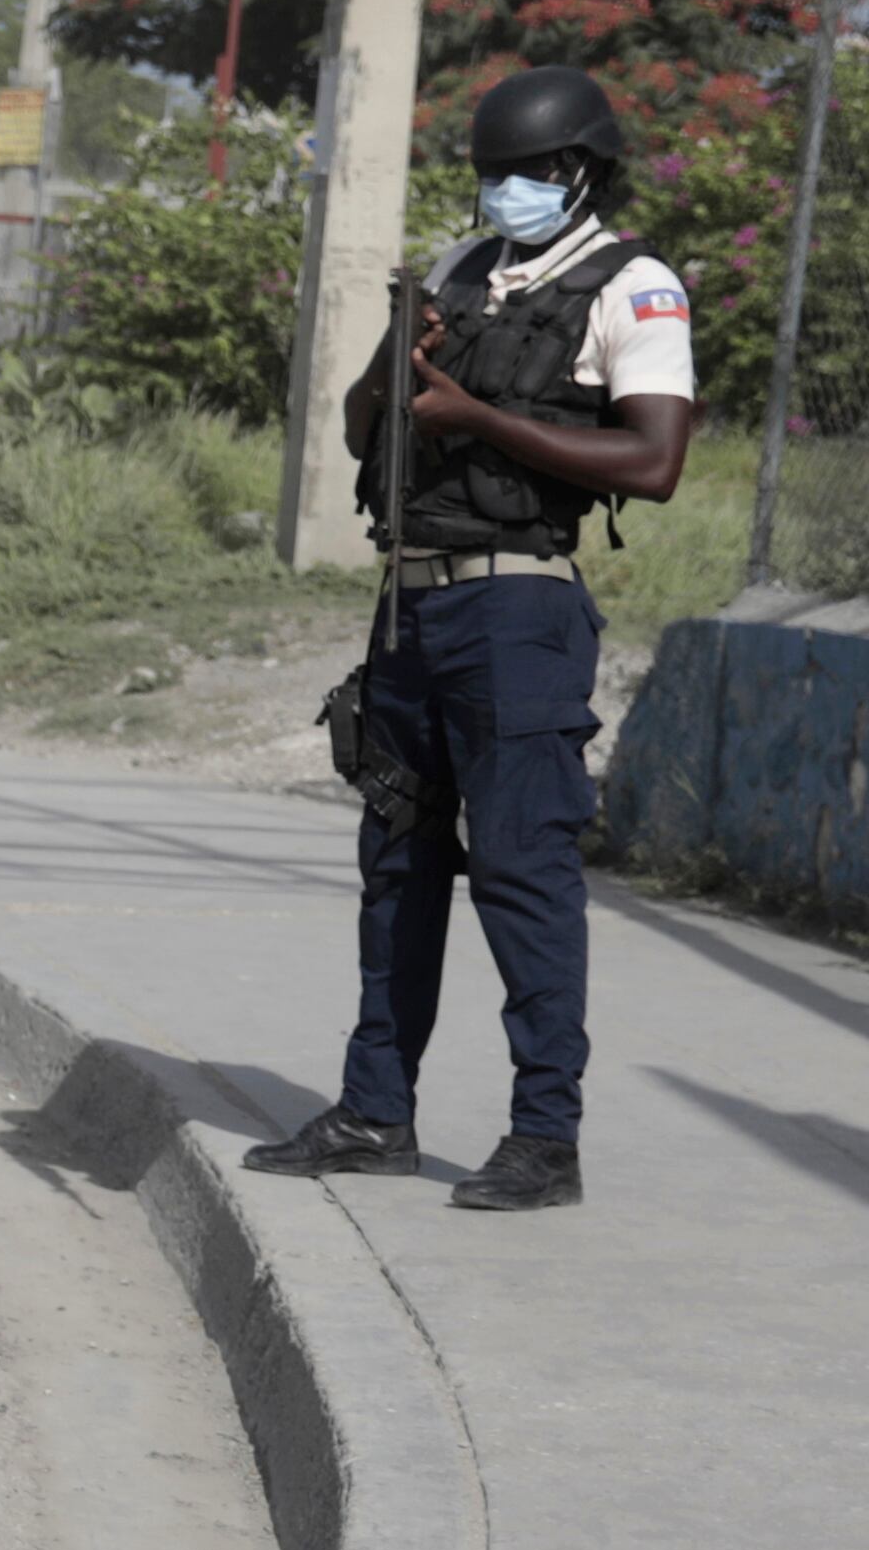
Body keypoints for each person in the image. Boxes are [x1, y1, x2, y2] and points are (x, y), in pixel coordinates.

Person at [244, 64, 696, 1214]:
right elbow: (360, 428)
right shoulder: (456, 271)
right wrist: (402, 362)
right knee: (396, 865)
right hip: (410, 602)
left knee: (518, 870)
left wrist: (476, 415)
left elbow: (653, 463)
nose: (505, 191)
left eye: (528, 173)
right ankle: (373, 1111)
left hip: (517, 611)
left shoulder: (631, 287)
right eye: (492, 173)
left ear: (579, 172)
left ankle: (544, 1137)